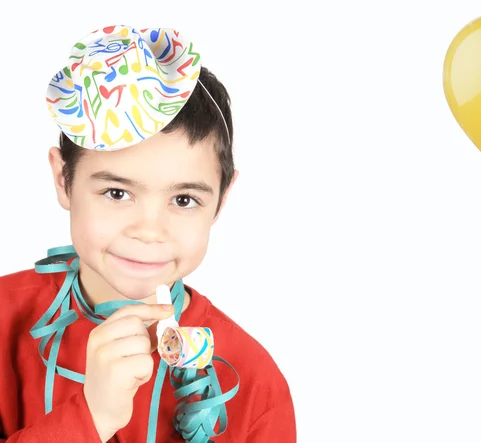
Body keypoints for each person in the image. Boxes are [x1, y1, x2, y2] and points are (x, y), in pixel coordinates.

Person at [0, 25, 296, 442]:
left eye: (183, 200)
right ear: (63, 179)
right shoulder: (2, 321)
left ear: (221, 200)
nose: (149, 231)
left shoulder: (253, 381)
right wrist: (91, 417)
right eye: (117, 192)